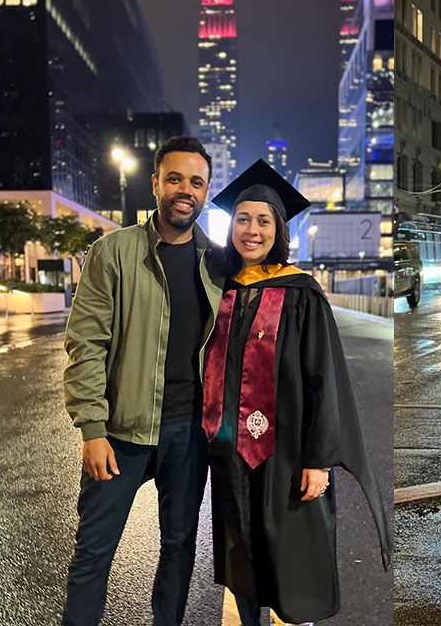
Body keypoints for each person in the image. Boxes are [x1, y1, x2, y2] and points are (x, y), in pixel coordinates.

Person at [202, 160, 392, 624]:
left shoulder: (301, 293)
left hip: (285, 455)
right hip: (229, 455)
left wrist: (319, 459)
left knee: (292, 557)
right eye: (242, 219)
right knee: (241, 551)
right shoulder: (220, 289)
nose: (251, 230)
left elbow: (323, 379)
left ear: (278, 229)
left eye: (263, 220)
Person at [62, 136, 225, 625]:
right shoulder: (113, 251)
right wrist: (92, 428)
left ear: (206, 190)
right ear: (154, 183)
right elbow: (86, 343)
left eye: (195, 182)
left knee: (178, 546)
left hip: (190, 433)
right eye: (174, 178)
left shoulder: (216, 262)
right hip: (120, 430)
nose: (184, 190)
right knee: (94, 550)